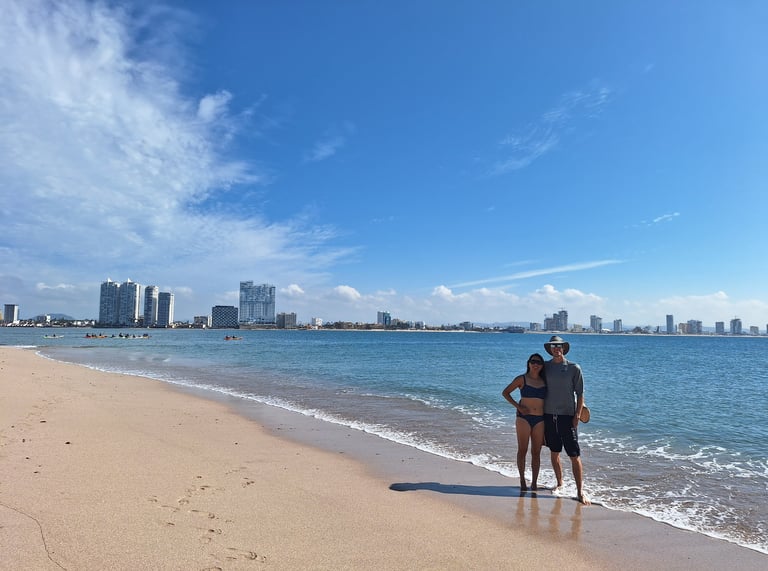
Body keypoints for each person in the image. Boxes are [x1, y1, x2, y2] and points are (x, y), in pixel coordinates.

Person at [543, 335, 590, 505]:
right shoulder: (545, 367)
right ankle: (560, 484)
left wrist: (577, 416)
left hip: (567, 417)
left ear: (563, 348)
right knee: (554, 452)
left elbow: (580, 394)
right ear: (550, 349)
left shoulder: (573, 368)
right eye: (553, 346)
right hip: (548, 416)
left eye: (559, 346)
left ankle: (580, 492)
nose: (556, 348)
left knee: (574, 454)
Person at [502, 353, 547, 491]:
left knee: (536, 452)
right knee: (522, 450)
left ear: (542, 366)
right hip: (523, 419)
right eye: (533, 361)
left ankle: (534, 483)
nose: (535, 364)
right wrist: (518, 406)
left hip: (540, 419)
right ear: (528, 363)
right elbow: (505, 393)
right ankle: (522, 480)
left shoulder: (545, 381)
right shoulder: (522, 379)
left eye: (538, 362)